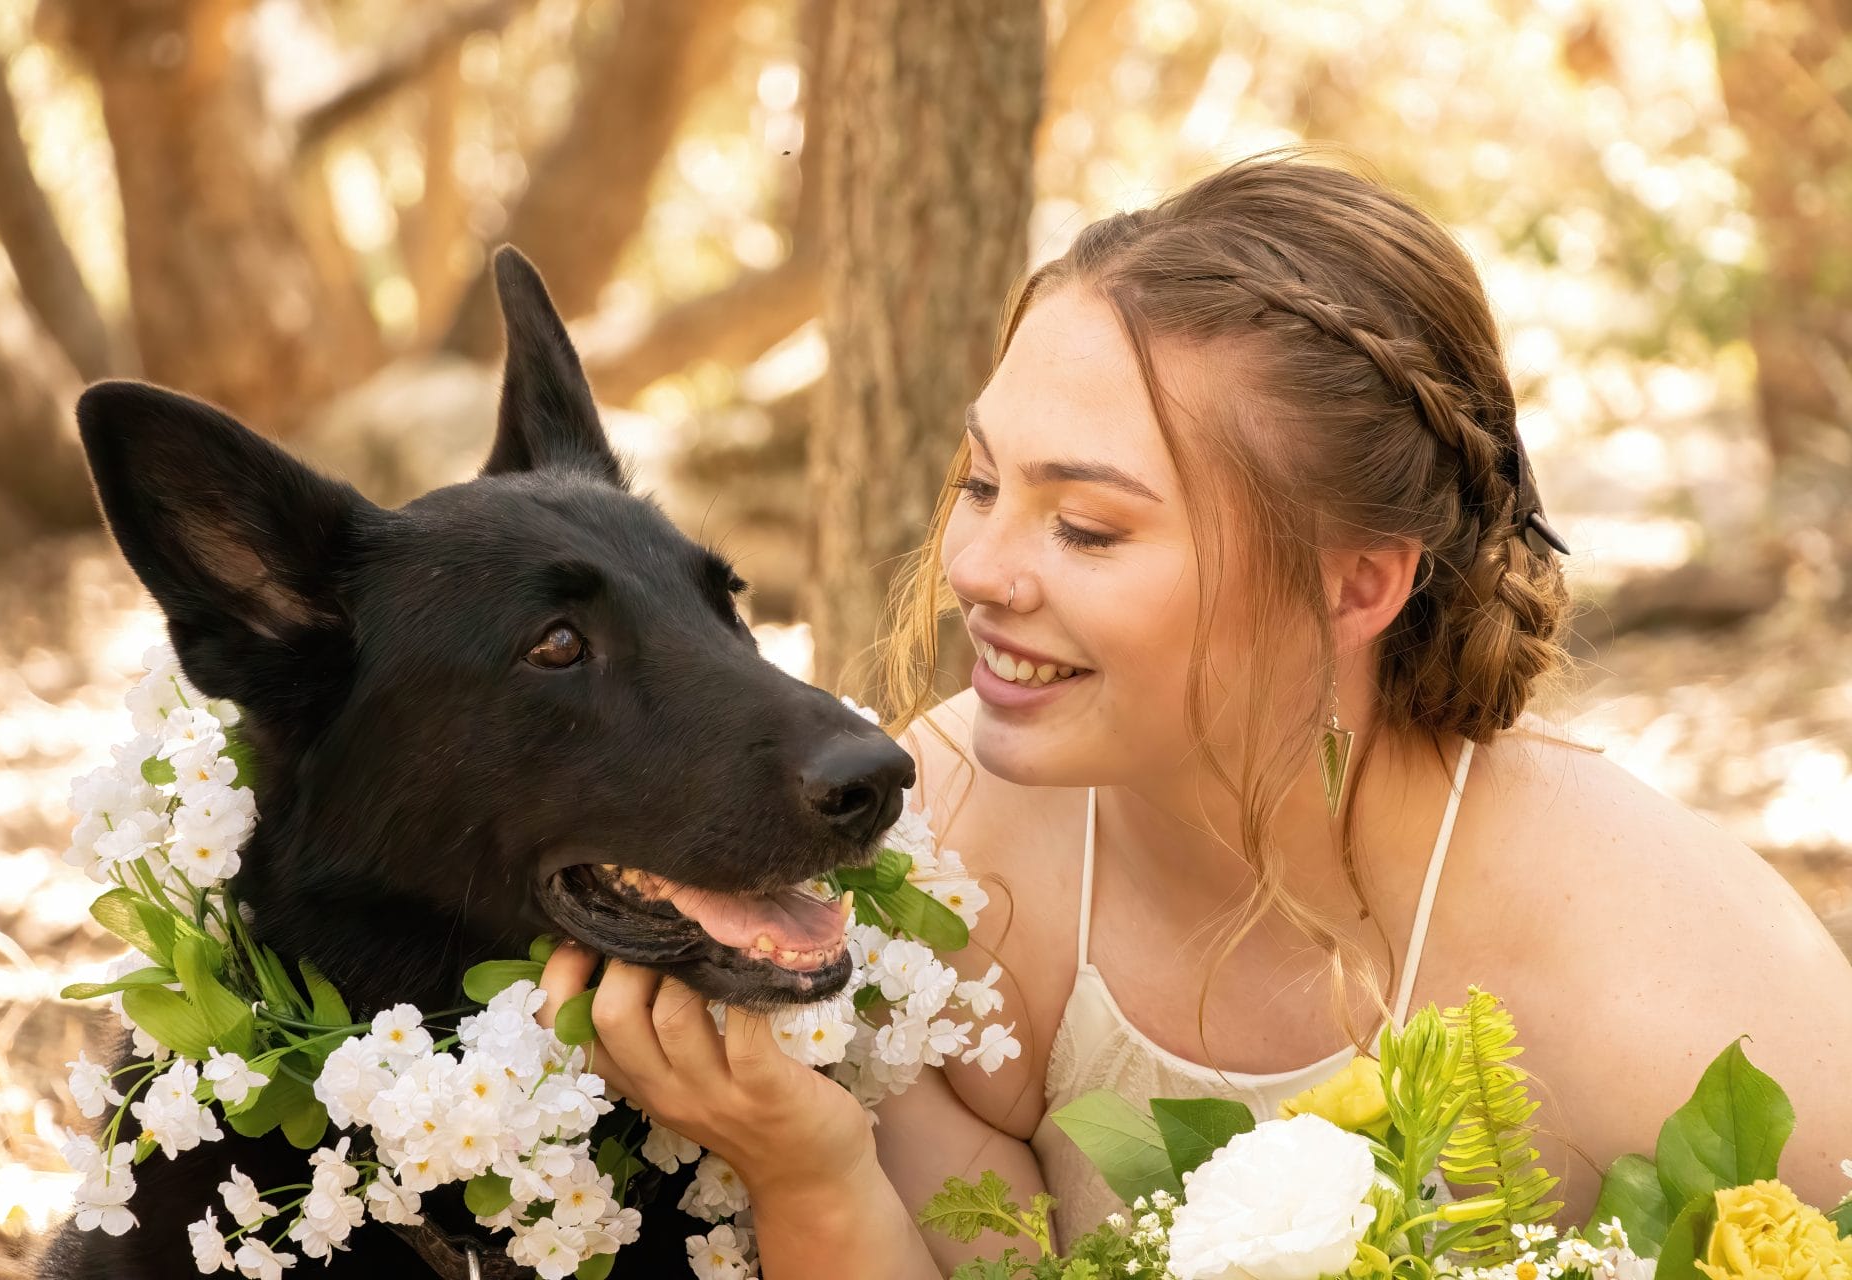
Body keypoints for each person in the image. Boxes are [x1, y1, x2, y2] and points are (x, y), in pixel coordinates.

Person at [537, 153, 1852, 1277]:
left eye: (1088, 526)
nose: (982, 570)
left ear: (1359, 582)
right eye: (983, 481)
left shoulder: (1678, 991)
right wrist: (812, 1172)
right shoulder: (936, 859)